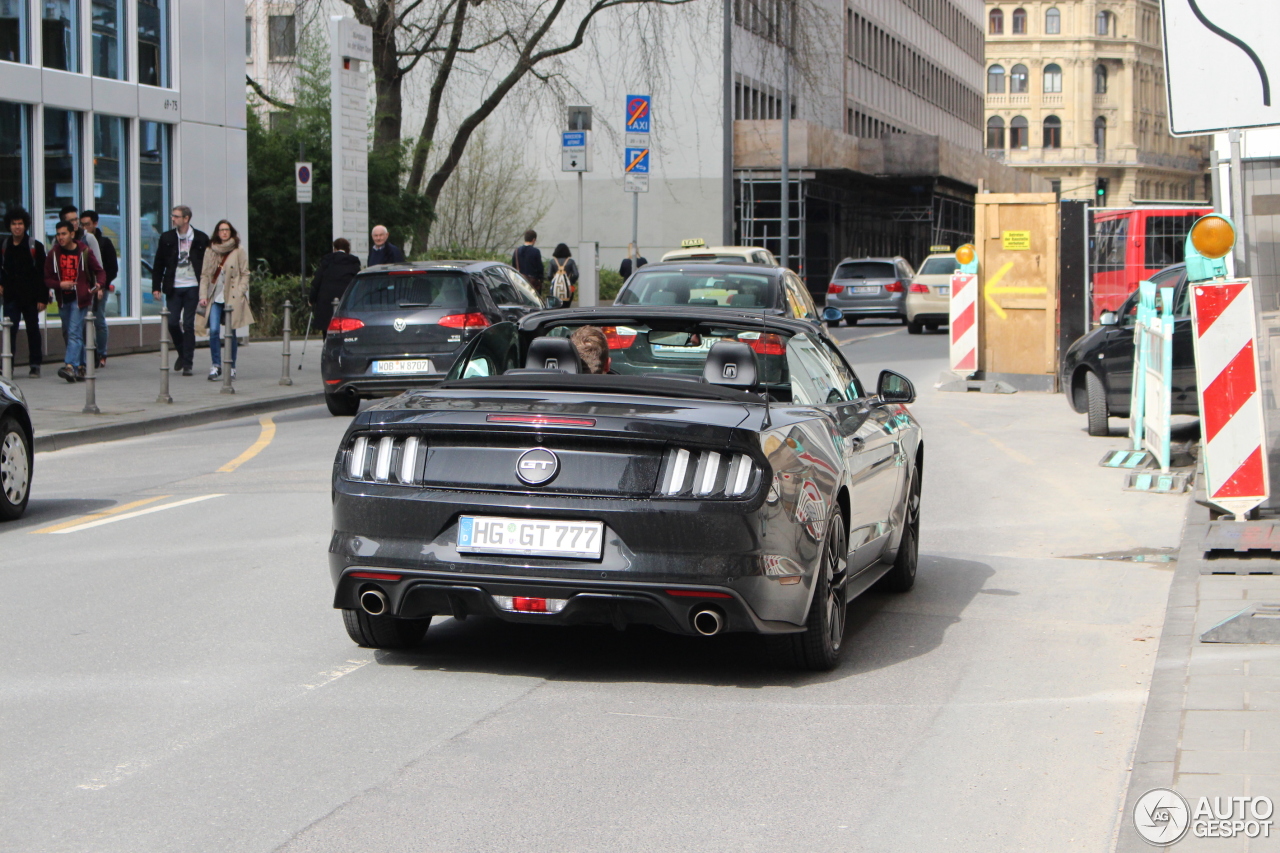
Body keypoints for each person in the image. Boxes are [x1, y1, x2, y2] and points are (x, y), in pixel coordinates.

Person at [44, 219, 105, 383]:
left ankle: (70, 366)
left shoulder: (84, 251)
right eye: (58, 234)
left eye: (63, 234)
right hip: (63, 299)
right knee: (70, 332)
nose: (60, 238)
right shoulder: (54, 253)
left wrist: (93, 289)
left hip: (80, 299)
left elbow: (100, 272)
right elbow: (47, 278)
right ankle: (82, 366)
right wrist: (59, 285)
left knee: (74, 332)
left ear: (72, 234)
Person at [152, 205, 209, 376]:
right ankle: (183, 352)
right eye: (172, 216)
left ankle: (187, 364)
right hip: (174, 287)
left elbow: (208, 265)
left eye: (176, 216)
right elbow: (158, 263)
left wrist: (206, 290)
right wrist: (156, 286)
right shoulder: (167, 237)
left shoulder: (200, 238)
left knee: (189, 324)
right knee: (172, 322)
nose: (173, 219)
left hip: (193, 286)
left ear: (186, 219)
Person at [196, 220, 253, 380]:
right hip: (215, 296)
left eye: (227, 230)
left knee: (231, 333)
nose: (224, 233)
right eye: (221, 230)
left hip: (231, 297)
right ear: (217, 232)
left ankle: (232, 366)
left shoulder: (238, 250)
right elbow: (205, 275)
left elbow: (245, 273)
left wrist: (241, 291)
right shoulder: (210, 250)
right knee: (213, 331)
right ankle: (216, 365)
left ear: (231, 232)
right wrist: (203, 296)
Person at [0, 208, 48, 378]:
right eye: (14, 224)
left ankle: (35, 364)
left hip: (31, 297)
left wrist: (43, 298)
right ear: (9, 226)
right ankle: (7, 366)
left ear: (25, 225)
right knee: (9, 332)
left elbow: (43, 274)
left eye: (20, 224)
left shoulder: (35, 246)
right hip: (11, 297)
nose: (17, 227)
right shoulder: (4, 246)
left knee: (32, 331)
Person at [79, 209, 118, 368]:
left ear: (95, 223)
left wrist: (102, 285)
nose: (85, 227)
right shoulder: (79, 241)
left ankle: (102, 353)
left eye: (87, 224)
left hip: (100, 286)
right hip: (83, 287)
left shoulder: (104, 243)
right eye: (82, 224)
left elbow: (112, 268)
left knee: (98, 319)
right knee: (82, 321)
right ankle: (89, 352)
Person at [309, 238, 361, 332]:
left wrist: (311, 299)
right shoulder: (353, 262)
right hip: (346, 301)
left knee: (327, 328)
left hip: (326, 301)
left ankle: (327, 345)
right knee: (345, 330)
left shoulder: (327, 261)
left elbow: (317, 281)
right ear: (348, 249)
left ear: (335, 249)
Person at [512, 230, 544, 294]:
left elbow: (513, 267)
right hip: (532, 284)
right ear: (534, 239)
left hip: (520, 283)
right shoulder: (536, 251)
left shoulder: (516, 251)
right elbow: (540, 268)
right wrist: (540, 279)